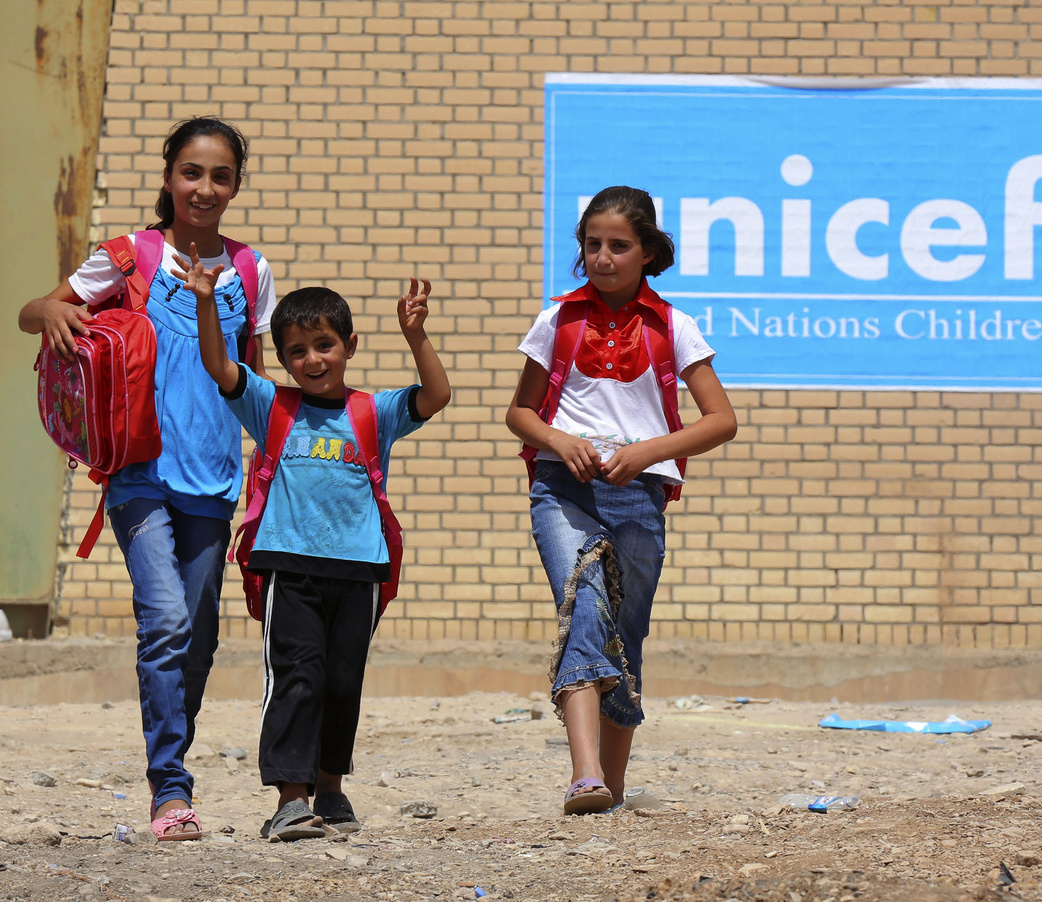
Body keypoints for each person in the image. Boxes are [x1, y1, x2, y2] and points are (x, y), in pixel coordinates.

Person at [18, 117, 276, 841]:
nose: (205, 187)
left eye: (220, 176)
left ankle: (173, 757)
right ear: (169, 177)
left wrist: (268, 461)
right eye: (191, 172)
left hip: (215, 479)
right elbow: (30, 310)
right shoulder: (130, 256)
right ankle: (171, 787)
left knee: (196, 638)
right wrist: (56, 315)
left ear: (235, 186)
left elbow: (250, 375)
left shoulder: (251, 270)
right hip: (139, 473)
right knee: (163, 621)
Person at [182, 256, 451, 841]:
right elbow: (217, 364)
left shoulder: (372, 412)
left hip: (360, 568)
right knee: (296, 677)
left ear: (349, 345)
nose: (312, 360)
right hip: (288, 565)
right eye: (297, 351)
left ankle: (330, 788)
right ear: (282, 359)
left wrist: (416, 336)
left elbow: (436, 394)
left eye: (324, 345)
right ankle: (291, 798)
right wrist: (206, 301)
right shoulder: (271, 405)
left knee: (341, 682)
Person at [505, 186, 737, 815]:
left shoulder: (674, 327)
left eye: (619, 245)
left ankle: (612, 783)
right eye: (592, 244)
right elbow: (520, 412)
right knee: (583, 605)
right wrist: (558, 439)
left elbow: (721, 420)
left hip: (639, 495)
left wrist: (645, 453)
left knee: (624, 635)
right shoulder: (556, 321)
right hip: (563, 489)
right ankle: (583, 774)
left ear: (646, 252)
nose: (603, 256)